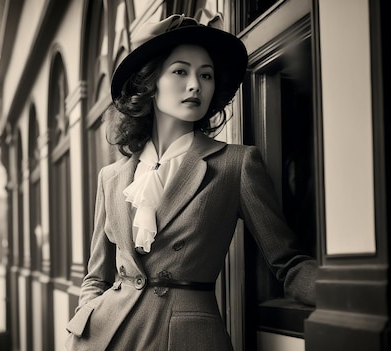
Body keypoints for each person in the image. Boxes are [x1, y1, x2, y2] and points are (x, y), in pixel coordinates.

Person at [65, 14, 318, 351]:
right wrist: (85, 317)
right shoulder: (111, 178)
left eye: (206, 75)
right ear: (151, 84)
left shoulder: (236, 164)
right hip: (105, 337)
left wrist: (348, 294)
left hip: (185, 339)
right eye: (181, 71)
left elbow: (287, 262)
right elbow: (97, 275)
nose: (196, 84)